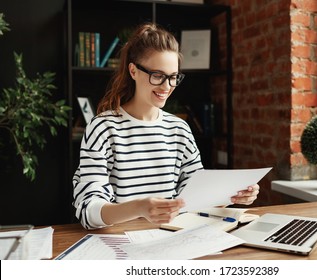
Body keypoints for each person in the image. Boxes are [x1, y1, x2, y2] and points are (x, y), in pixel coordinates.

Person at [72, 22, 260, 230]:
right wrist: (139, 208)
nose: (167, 86)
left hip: (171, 238)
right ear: (133, 71)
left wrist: (233, 195)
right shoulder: (103, 128)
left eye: (173, 77)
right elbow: (88, 211)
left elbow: (196, 197)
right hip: (120, 242)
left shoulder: (179, 129)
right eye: (158, 76)